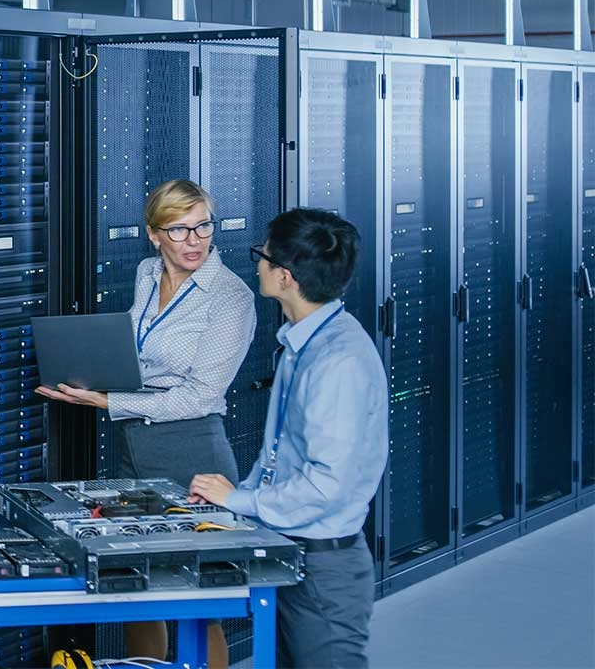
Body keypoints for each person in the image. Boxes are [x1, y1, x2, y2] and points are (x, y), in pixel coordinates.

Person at [36, 178, 256, 668]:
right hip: (135, 444)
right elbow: (138, 353)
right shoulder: (146, 273)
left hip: (194, 452)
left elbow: (202, 395)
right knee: (141, 587)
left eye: (203, 226)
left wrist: (106, 401)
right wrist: (89, 377)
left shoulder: (230, 297)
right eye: (179, 230)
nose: (194, 240)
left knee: (202, 605)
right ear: (154, 235)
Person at [188, 207, 388, 669]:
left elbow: (326, 486)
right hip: (291, 551)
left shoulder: (338, 362)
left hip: (323, 567)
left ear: (284, 276)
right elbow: (280, 455)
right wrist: (233, 503)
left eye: (262, 255)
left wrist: (242, 500)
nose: (255, 263)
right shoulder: (304, 343)